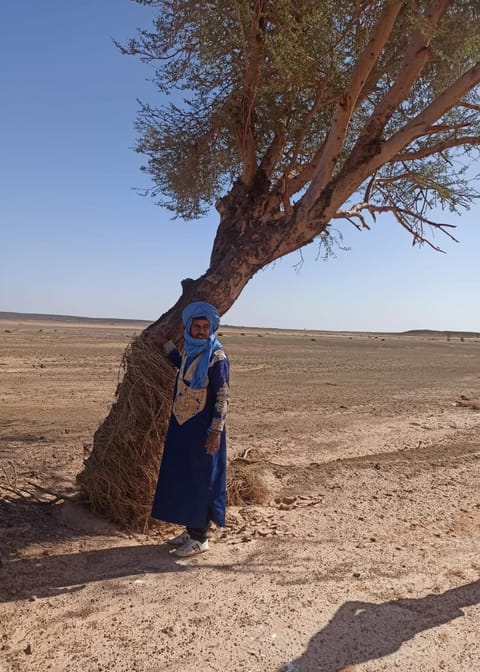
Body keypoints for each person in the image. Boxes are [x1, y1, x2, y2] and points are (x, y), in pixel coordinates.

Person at [146, 301, 229, 557]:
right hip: (183, 426)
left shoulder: (217, 356)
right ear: (190, 328)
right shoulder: (192, 352)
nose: (202, 331)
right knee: (184, 476)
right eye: (197, 326)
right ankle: (190, 530)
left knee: (201, 480)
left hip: (204, 429)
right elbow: (180, 363)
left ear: (211, 328)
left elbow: (223, 395)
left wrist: (215, 431)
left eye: (206, 327)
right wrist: (164, 343)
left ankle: (200, 538)